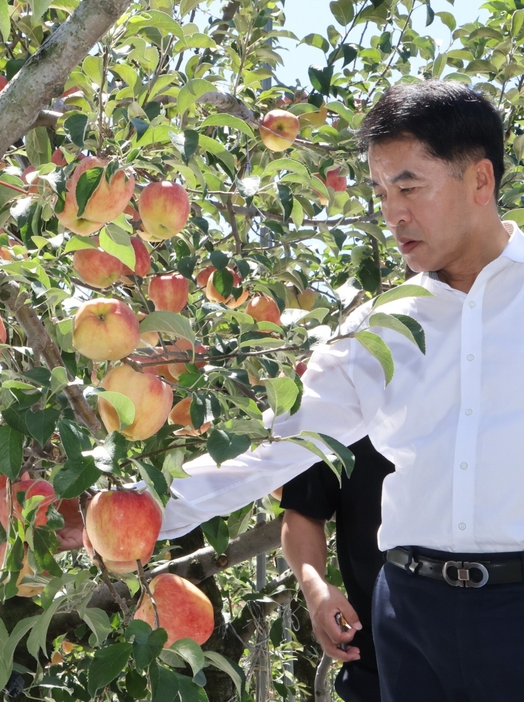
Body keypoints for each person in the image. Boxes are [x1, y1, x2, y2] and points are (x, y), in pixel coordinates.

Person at [156, 80, 524, 701]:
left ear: (480, 181)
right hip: (410, 614)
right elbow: (270, 455)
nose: (392, 212)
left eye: (409, 186)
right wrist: (135, 514)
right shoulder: (377, 331)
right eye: (381, 191)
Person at [280, 437, 393, 702]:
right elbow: (303, 510)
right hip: (375, 657)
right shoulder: (349, 404)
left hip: (502, 638)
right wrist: (314, 587)